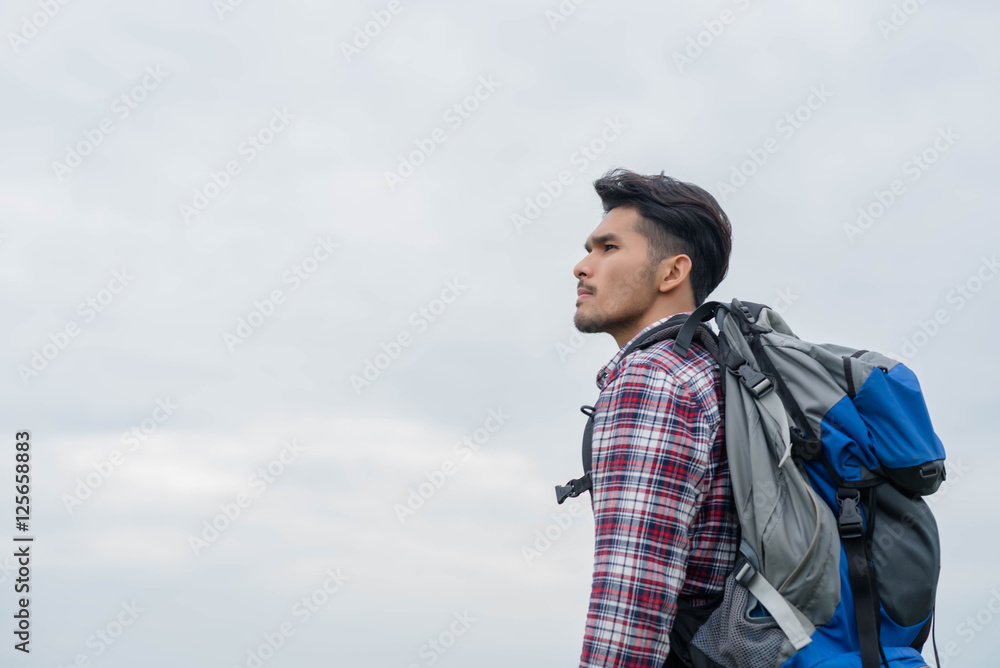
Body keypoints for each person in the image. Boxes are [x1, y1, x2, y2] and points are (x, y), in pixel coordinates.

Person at [571, 168, 740, 667]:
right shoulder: (717, 371)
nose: (582, 267)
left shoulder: (653, 379)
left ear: (672, 274)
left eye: (609, 248)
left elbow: (631, 608)